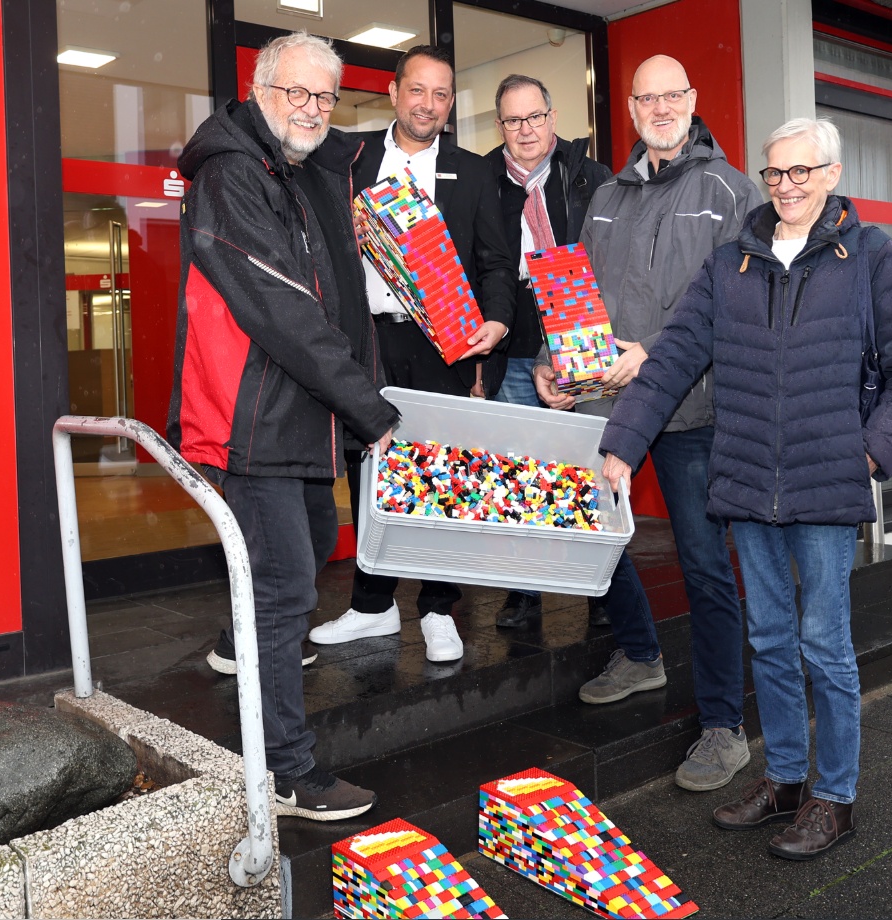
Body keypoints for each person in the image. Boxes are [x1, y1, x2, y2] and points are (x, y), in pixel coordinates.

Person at [599, 116, 892, 859]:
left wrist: (869, 459)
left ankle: (835, 799)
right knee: (770, 639)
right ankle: (785, 780)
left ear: (831, 174)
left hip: (827, 486)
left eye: (801, 172)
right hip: (749, 482)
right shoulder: (733, 262)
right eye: (774, 173)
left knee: (826, 645)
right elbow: (673, 357)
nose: (786, 186)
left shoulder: (872, 257)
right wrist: (624, 442)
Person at [168, 32, 399, 821]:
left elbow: (336, 295)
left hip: (301, 423)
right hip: (256, 425)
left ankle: (280, 749)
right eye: (295, 92)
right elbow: (283, 313)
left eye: (324, 97)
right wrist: (371, 409)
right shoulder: (235, 174)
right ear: (260, 90)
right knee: (281, 595)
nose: (310, 109)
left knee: (287, 595)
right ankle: (285, 773)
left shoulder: (300, 173)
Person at [534, 54, 764, 794]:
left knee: (703, 564)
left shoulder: (732, 191)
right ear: (629, 108)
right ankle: (639, 653)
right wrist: (551, 361)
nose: (661, 107)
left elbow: (741, 310)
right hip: (612, 404)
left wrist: (653, 355)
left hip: (696, 409)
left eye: (674, 94)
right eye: (647, 97)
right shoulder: (606, 196)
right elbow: (577, 297)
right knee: (595, 541)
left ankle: (725, 727)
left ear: (692, 100)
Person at [308, 45, 517, 663]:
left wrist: (499, 321)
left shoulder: (474, 172)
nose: (429, 104)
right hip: (364, 341)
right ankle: (371, 608)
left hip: (443, 345)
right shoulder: (347, 159)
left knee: (442, 477)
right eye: (418, 90)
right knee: (370, 475)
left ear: (451, 105)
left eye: (442, 94)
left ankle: (437, 608)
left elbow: (497, 263)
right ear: (395, 93)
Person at [483, 73, 614, 630]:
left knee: (590, 473)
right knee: (521, 471)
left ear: (553, 118)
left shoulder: (591, 177)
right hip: (513, 348)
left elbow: (610, 260)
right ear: (501, 127)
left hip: (580, 340)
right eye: (514, 120)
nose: (526, 129)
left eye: (535, 117)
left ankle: (604, 591)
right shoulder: (481, 179)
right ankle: (524, 590)